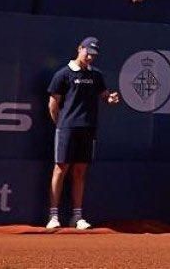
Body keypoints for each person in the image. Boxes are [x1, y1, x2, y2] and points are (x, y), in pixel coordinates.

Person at [46, 36, 118, 231]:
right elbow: (53, 104)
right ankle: (53, 215)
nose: (90, 57)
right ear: (80, 49)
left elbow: (104, 95)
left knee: (80, 172)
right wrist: (61, 125)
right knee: (60, 169)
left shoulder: (96, 75)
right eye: (88, 52)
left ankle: (77, 217)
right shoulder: (63, 74)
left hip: (88, 129)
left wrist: (110, 99)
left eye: (94, 55)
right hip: (67, 129)